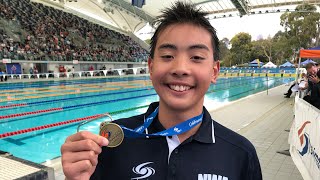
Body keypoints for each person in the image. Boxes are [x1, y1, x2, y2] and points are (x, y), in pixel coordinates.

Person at [61, 2, 262, 180]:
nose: (180, 68)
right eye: (167, 55)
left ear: (214, 71)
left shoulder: (240, 154)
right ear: (150, 66)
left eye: (197, 57)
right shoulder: (113, 143)